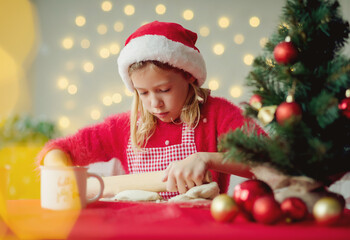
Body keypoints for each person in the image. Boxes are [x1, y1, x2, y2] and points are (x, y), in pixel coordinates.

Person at [37, 21, 264, 199]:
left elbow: (271, 158)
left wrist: (208, 159)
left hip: (199, 232)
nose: (155, 103)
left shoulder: (216, 114)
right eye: (143, 93)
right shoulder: (123, 127)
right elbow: (59, 149)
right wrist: (58, 171)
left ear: (189, 76)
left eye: (163, 89)